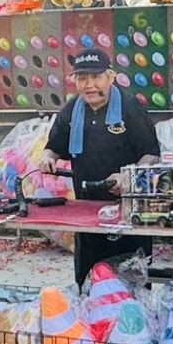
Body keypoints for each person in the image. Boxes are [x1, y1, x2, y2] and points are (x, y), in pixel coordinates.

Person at [39, 48, 162, 288]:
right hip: (86, 213)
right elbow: (53, 146)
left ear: (110, 76)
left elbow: (151, 154)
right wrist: (47, 158)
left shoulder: (130, 107)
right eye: (82, 78)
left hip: (128, 212)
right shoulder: (72, 109)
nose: (89, 85)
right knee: (87, 283)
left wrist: (128, 177)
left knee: (131, 285)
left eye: (96, 77)